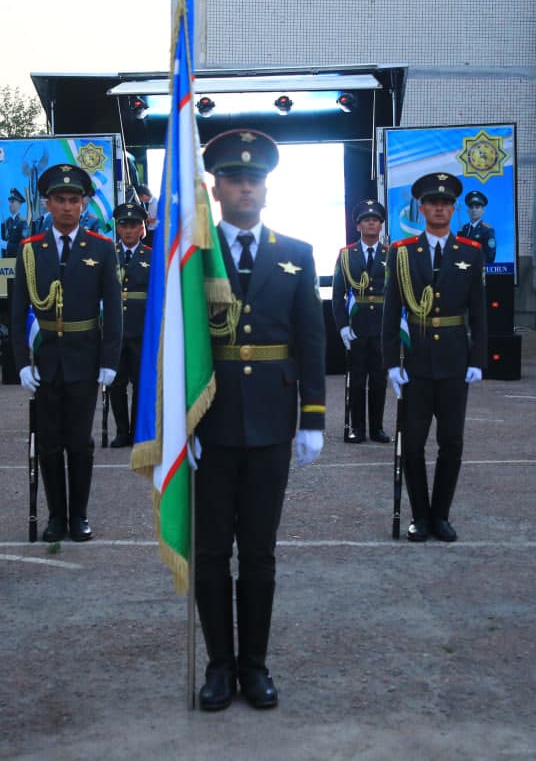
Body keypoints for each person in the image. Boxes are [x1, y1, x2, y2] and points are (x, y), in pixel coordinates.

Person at [193, 128, 325, 712]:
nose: (244, 187)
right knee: (213, 552)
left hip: (273, 423)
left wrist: (313, 418)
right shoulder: (193, 257)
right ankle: (219, 666)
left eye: (254, 180)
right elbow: (177, 348)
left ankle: (255, 666)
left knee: (261, 552)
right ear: (216, 190)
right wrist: (180, 424)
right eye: (233, 179)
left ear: (266, 191)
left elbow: (312, 342)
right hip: (212, 424)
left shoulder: (296, 254)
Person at [11, 164, 122, 541]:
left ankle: (80, 515)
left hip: (85, 358)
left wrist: (110, 360)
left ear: (84, 204)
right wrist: (20, 365)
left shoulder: (102, 248)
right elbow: (17, 310)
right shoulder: (29, 250)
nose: (67, 207)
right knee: (49, 441)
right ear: (48, 203)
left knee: (80, 441)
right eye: (60, 200)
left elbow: (114, 309)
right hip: (45, 361)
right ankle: (56, 516)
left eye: (74, 200)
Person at [383, 172, 487, 542]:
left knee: (451, 442)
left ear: (453, 208)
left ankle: (441, 515)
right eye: (432, 203)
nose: (439, 208)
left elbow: (478, 311)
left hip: (455, 359)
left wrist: (477, 359)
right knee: (412, 443)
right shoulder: (402, 251)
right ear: (422, 208)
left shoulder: (471, 253)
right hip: (417, 360)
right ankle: (419, 516)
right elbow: (391, 310)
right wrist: (391, 363)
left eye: (445, 203)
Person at [332, 200, 390, 443]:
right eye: (366, 220)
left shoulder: (393, 253)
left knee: (378, 380)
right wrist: (343, 326)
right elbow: (338, 294)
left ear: (380, 225)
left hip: (382, 326)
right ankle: (356, 428)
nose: (371, 223)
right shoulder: (346, 255)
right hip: (356, 326)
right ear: (358, 226)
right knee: (356, 381)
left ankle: (376, 428)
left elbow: (398, 293)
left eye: (375, 220)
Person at [108, 201, 150, 448]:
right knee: (116, 384)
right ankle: (122, 431)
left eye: (134, 225)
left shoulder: (152, 256)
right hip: (115, 331)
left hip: (141, 331)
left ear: (142, 228)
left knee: (140, 384)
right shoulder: (107, 255)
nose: (129, 230)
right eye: (124, 225)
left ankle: (137, 431)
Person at [457, 190, 497, 264]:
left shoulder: (487, 230)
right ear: (468, 211)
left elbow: (490, 257)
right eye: (471, 207)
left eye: (477, 207)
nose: (474, 210)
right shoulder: (464, 229)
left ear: (482, 210)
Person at [0, 189, 27, 258]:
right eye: (9, 202)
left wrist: (7, 246)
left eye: (12, 202)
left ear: (19, 204)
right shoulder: (7, 221)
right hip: (8, 263)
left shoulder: (23, 222)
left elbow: (24, 246)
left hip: (18, 261)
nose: (10, 204)